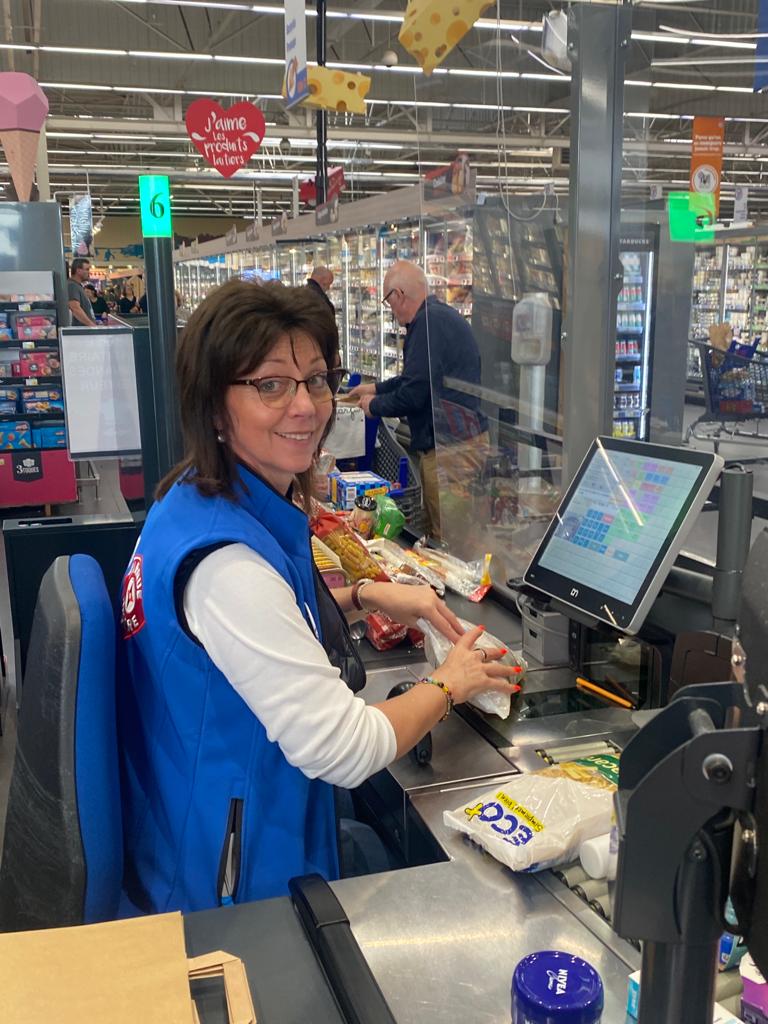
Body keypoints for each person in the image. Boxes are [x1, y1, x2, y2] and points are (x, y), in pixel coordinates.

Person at [117, 278, 518, 915]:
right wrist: (449, 683)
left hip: (207, 817)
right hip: (234, 888)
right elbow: (344, 749)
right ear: (217, 407)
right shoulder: (227, 566)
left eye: (316, 379)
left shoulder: (195, 497)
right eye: (270, 384)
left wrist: (364, 595)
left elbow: (258, 622)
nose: (305, 406)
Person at [348, 260, 489, 540]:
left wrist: (374, 406)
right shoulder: (434, 318)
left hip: (452, 448)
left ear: (398, 295)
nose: (391, 312)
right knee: (445, 528)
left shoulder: (427, 323)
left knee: (451, 537)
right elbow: (416, 380)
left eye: (389, 303)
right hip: (454, 444)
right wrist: (374, 388)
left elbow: (414, 394)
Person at [67, 258, 96, 326]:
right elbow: (75, 308)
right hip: (81, 332)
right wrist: (92, 325)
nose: (89, 272)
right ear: (78, 270)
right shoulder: (72, 285)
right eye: (87, 269)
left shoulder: (77, 285)